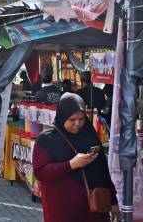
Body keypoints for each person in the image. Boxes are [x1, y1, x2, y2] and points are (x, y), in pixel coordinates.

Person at [33, 93, 118, 222]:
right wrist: (71, 164)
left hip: (94, 210)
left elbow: (103, 170)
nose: (77, 124)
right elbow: (40, 172)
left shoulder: (90, 135)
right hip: (63, 211)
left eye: (82, 118)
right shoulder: (47, 140)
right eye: (72, 120)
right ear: (62, 117)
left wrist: (113, 201)